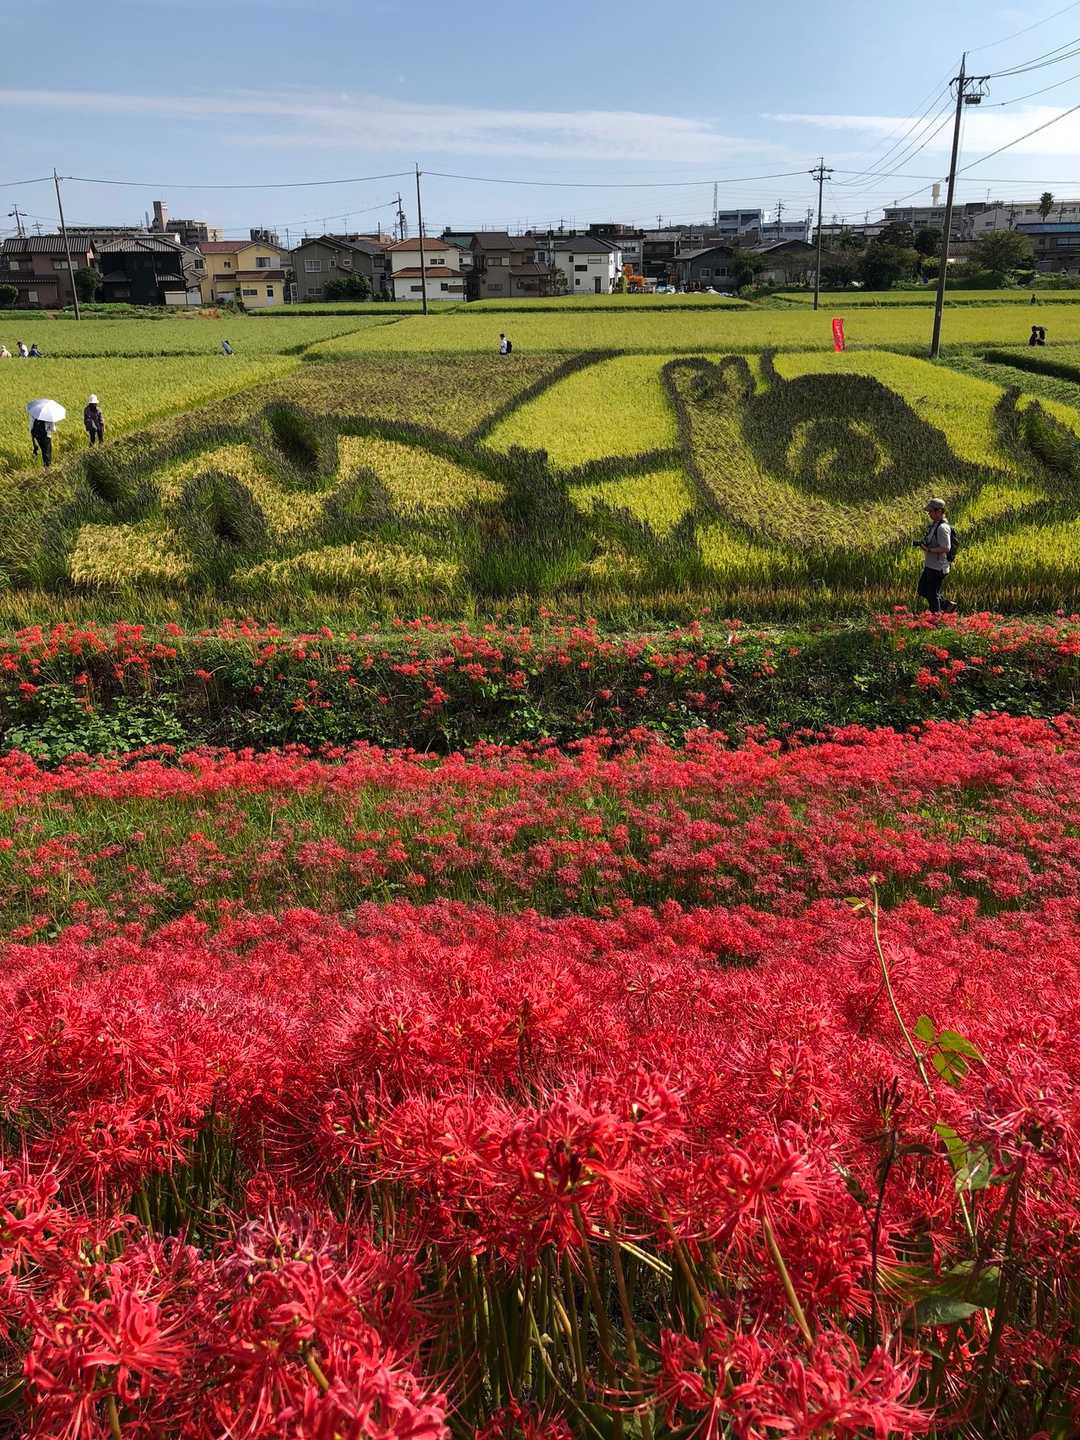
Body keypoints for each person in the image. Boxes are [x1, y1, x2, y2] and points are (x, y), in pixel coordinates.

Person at [914, 498, 953, 616]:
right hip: (930, 565)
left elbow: (946, 548)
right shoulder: (935, 525)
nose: (929, 514)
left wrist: (929, 550)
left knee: (932, 594)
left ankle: (936, 619)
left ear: (939, 511)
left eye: (931, 511)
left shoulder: (942, 528)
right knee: (922, 590)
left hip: (938, 567)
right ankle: (946, 605)